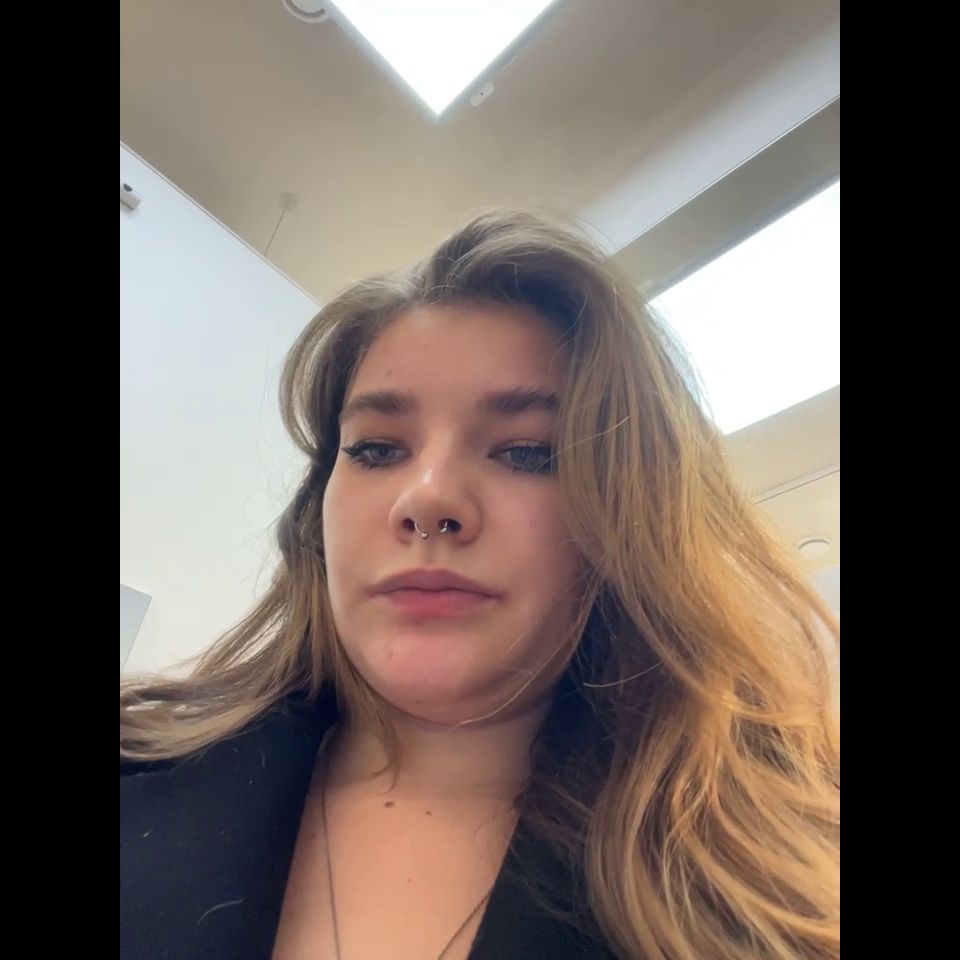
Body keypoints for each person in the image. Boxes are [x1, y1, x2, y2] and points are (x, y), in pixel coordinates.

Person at [120, 209, 840, 960]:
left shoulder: (787, 903)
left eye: (527, 453)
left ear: (631, 522)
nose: (428, 497)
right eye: (376, 449)